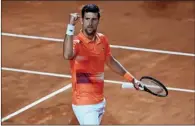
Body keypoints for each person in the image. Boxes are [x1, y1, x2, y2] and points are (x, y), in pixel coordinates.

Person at [63, 4, 142, 125]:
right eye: (87, 19)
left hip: (100, 102)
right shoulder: (76, 42)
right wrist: (70, 27)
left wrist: (131, 79)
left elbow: (110, 61)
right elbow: (67, 55)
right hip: (84, 104)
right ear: (82, 20)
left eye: (93, 19)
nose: (90, 23)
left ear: (98, 21)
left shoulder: (103, 40)